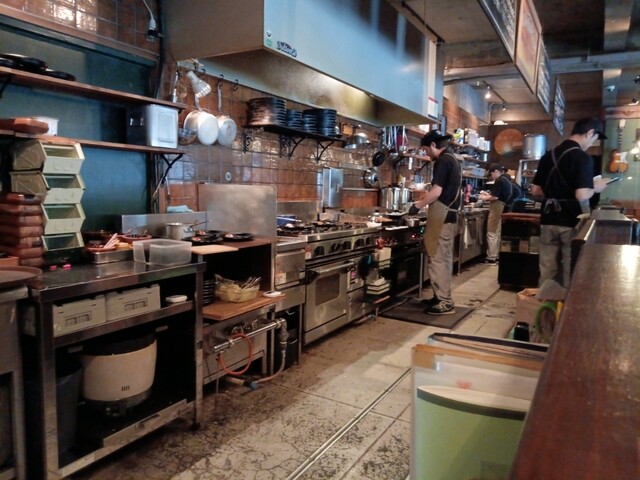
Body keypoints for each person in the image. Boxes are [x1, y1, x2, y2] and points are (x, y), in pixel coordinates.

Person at [530, 117, 609, 288]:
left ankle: (544, 303)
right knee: (570, 268)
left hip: (548, 219)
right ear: (589, 133)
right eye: (594, 139)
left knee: (547, 269)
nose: (592, 143)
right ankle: (565, 304)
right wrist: (596, 187)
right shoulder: (582, 157)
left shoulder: (548, 155)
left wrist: (555, 192)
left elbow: (535, 191)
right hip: (571, 220)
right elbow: (582, 195)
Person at [408, 130, 462, 315]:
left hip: (442, 216)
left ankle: (445, 301)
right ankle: (439, 296)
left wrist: (417, 206)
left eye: (425, 149)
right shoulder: (452, 159)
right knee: (443, 259)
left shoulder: (443, 160)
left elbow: (436, 192)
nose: (426, 153)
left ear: (432, 145)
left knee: (438, 258)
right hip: (448, 215)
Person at [478, 164, 521, 264]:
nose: (491, 176)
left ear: (496, 171)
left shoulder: (499, 180)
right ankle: (496, 254)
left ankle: (491, 257)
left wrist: (483, 197)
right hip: (502, 206)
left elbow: (495, 197)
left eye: (491, 173)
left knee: (491, 232)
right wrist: (489, 195)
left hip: (496, 207)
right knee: (497, 232)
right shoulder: (506, 180)